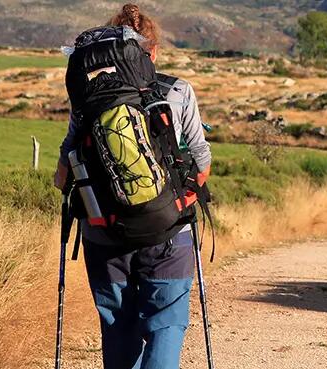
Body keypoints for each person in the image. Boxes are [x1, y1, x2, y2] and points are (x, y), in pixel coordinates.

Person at [53, 4, 212, 369]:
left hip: (104, 235)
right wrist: (174, 202)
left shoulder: (88, 103)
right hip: (167, 233)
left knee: (117, 325)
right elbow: (201, 161)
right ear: (152, 51)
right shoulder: (178, 91)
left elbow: (64, 175)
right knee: (165, 324)